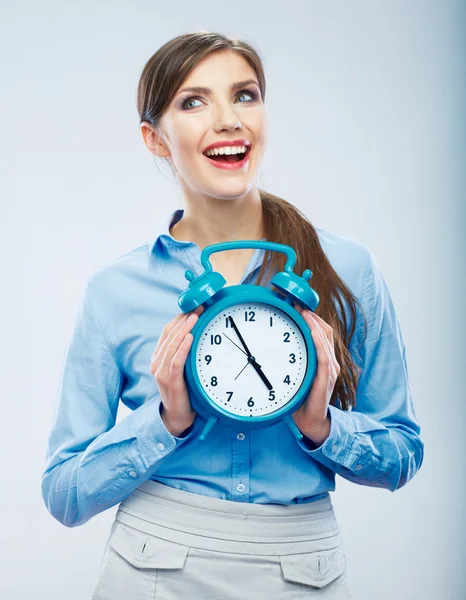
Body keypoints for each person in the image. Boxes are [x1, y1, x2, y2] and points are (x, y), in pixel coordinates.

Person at [41, 31, 424, 599]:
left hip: (302, 568)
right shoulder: (115, 291)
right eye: (193, 102)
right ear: (156, 139)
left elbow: (401, 452)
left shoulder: (348, 269)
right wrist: (165, 420)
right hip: (152, 567)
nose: (228, 120)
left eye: (245, 95)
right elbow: (64, 493)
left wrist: (322, 427)